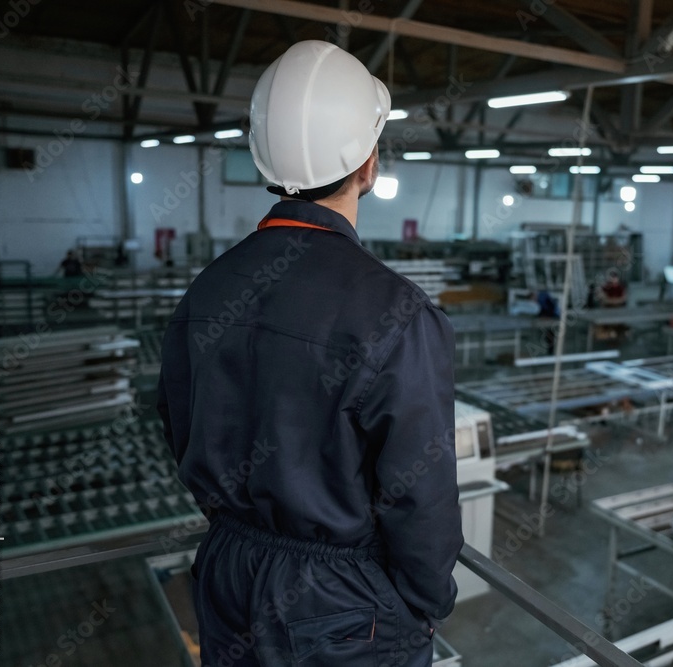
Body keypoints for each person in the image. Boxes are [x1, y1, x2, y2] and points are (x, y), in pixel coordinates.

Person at [157, 41, 463, 667]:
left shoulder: (208, 288)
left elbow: (177, 425)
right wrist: (423, 602)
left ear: (266, 163)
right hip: (340, 604)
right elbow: (420, 493)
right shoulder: (396, 313)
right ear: (369, 163)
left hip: (227, 571)